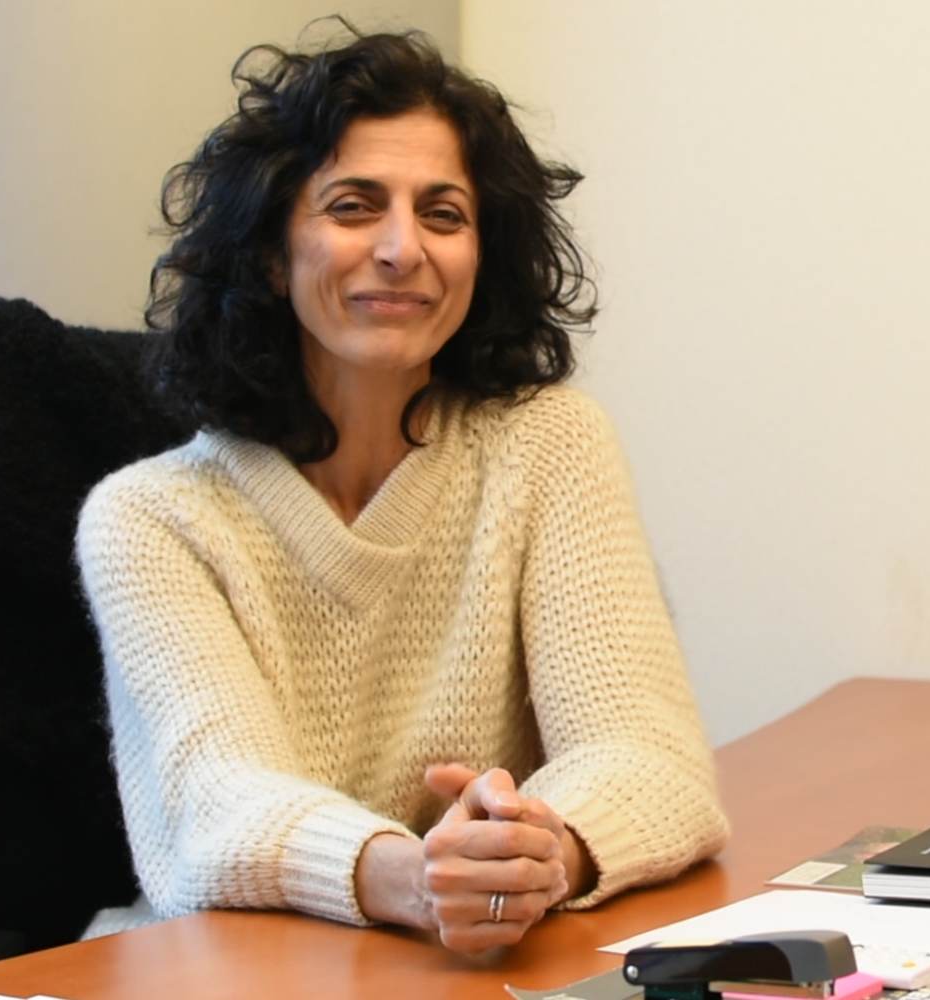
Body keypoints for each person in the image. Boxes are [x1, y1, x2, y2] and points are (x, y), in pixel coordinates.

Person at [74, 24, 729, 955]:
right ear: (270, 252)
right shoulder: (151, 520)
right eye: (352, 206)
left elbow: (653, 761)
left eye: (443, 214)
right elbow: (217, 810)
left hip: (484, 963)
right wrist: (418, 875)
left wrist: (542, 848)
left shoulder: (549, 445)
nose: (400, 248)